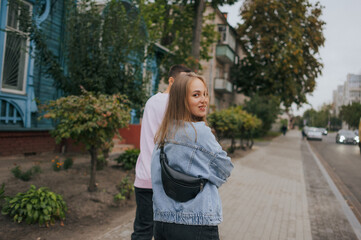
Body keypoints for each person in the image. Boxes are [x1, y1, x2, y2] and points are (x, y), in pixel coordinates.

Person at [151, 73, 234, 240]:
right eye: (196, 95)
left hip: (162, 222)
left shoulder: (163, 133)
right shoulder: (200, 133)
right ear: (181, 99)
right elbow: (225, 169)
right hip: (196, 223)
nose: (203, 100)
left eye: (205, 94)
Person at [131, 65, 192, 240]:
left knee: (143, 229)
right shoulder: (175, 104)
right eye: (181, 82)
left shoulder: (151, 101)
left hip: (145, 177)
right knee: (166, 231)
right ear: (171, 81)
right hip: (167, 180)